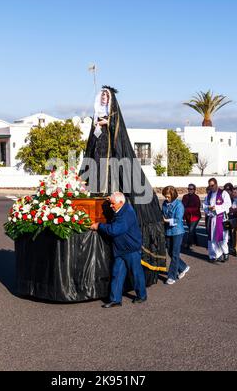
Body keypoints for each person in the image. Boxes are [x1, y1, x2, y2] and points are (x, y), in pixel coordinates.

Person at [81, 86, 167, 284]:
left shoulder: (114, 116)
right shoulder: (96, 118)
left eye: (106, 95)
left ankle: (140, 292)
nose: (103, 97)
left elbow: (118, 135)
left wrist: (107, 123)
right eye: (101, 94)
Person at [91, 192, 147, 308]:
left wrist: (99, 226)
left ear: (121, 202)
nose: (111, 206)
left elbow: (115, 230)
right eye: (110, 203)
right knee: (117, 273)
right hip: (120, 248)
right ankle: (115, 299)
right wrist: (110, 199)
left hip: (130, 248)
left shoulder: (126, 213)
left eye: (112, 204)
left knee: (136, 273)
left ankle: (142, 295)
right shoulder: (121, 208)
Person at [162, 186, 190, 285]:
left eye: (168, 196)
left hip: (177, 232)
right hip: (168, 231)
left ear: (173, 195)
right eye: (165, 196)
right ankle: (183, 267)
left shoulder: (179, 205)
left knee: (174, 254)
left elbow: (178, 220)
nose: (166, 198)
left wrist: (165, 220)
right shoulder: (165, 203)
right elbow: (163, 214)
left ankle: (171, 276)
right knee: (170, 252)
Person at [203, 178, 232, 263]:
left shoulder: (223, 193)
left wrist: (217, 208)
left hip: (222, 218)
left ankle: (226, 253)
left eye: (212, 185)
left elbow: (228, 204)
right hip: (212, 218)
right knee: (212, 237)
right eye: (210, 185)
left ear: (216, 184)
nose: (211, 187)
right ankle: (214, 255)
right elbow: (204, 205)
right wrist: (208, 208)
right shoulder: (209, 195)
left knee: (222, 237)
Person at [182, 184, 201, 249]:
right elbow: (182, 206)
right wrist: (183, 216)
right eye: (189, 189)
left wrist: (187, 209)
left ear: (194, 190)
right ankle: (196, 241)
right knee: (192, 230)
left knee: (191, 230)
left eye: (191, 189)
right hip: (187, 216)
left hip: (195, 217)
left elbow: (197, 208)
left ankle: (188, 244)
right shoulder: (185, 196)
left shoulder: (196, 197)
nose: (190, 190)